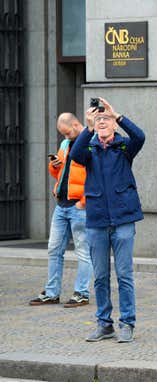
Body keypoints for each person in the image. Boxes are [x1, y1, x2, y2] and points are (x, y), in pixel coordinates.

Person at [69, 97, 145, 342]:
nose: (102, 122)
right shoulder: (88, 149)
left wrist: (117, 114)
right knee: (100, 276)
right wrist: (88, 126)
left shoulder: (124, 148)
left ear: (113, 125)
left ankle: (127, 323)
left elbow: (140, 137)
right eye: (98, 120)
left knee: (124, 274)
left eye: (106, 120)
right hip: (97, 220)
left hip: (123, 219)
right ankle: (104, 324)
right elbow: (75, 155)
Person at [29, 113, 92, 308]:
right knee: (54, 249)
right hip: (62, 204)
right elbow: (61, 173)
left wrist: (84, 201)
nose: (65, 137)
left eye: (67, 132)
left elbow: (97, 175)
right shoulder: (65, 144)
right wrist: (54, 165)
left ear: (75, 124)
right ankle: (51, 293)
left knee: (82, 251)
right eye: (62, 134)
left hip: (79, 206)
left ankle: (81, 293)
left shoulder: (91, 141)